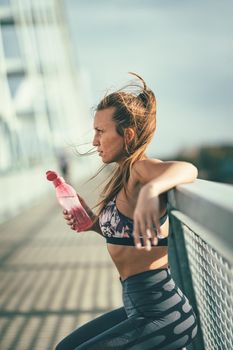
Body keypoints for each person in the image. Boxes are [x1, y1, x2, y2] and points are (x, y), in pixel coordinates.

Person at [55, 73, 199, 350]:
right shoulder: (123, 176)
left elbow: (187, 169)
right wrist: (94, 224)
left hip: (164, 316)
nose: (94, 141)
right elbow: (128, 237)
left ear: (127, 134)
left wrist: (150, 190)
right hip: (139, 308)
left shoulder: (139, 170)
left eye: (100, 131)